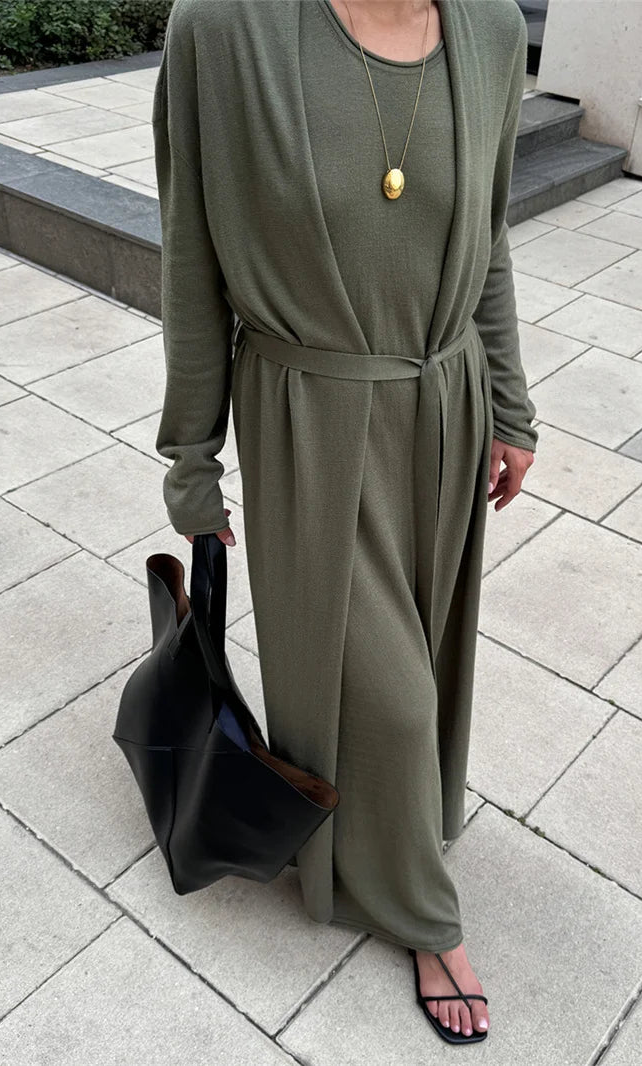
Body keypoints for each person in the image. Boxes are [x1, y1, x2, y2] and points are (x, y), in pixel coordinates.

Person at [153, 0, 537, 1045]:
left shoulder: (493, 31)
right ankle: (421, 908)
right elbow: (191, 258)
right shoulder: (223, 31)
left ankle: (396, 819)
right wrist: (190, 458)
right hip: (310, 416)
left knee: (421, 650)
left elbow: (487, 234)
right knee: (389, 691)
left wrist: (508, 401)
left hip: (445, 402)